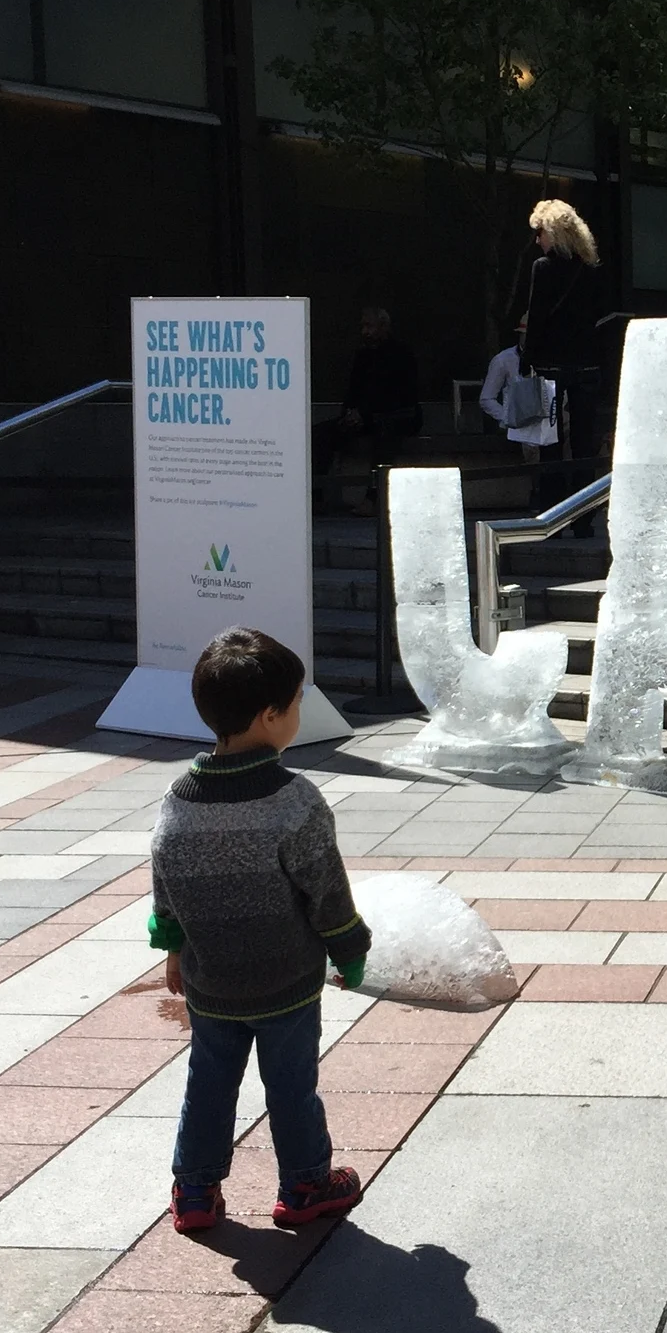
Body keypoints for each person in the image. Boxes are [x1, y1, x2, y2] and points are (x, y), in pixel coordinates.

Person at [153, 627, 370, 1235]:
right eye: (297, 702)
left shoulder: (178, 798)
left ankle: (195, 1191)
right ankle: (305, 1185)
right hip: (287, 981)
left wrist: (172, 949)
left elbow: (164, 884)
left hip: (212, 980)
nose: (299, 712)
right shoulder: (294, 799)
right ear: (271, 715)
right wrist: (349, 947)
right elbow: (326, 889)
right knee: (292, 1087)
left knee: (209, 1084)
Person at [519, 198, 606, 459]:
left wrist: (527, 358)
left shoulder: (543, 267)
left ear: (552, 233)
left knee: (550, 440)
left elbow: (536, 317)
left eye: (540, 232)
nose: (538, 240)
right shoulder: (590, 269)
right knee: (584, 439)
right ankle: (585, 495)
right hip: (587, 361)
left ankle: (553, 495)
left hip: (551, 363)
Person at [312, 308, 419, 511]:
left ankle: (373, 498)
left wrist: (365, 414)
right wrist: (349, 414)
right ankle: (316, 495)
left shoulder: (401, 353)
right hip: (364, 417)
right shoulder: (363, 355)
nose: (365, 331)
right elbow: (353, 389)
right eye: (363, 326)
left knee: (385, 436)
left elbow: (400, 395)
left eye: (369, 326)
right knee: (320, 434)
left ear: (383, 327)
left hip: (396, 416)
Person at [479, 326, 559, 459]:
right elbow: (486, 399)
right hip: (524, 429)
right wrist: (508, 418)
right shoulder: (503, 360)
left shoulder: (554, 356)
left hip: (555, 422)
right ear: (520, 335)